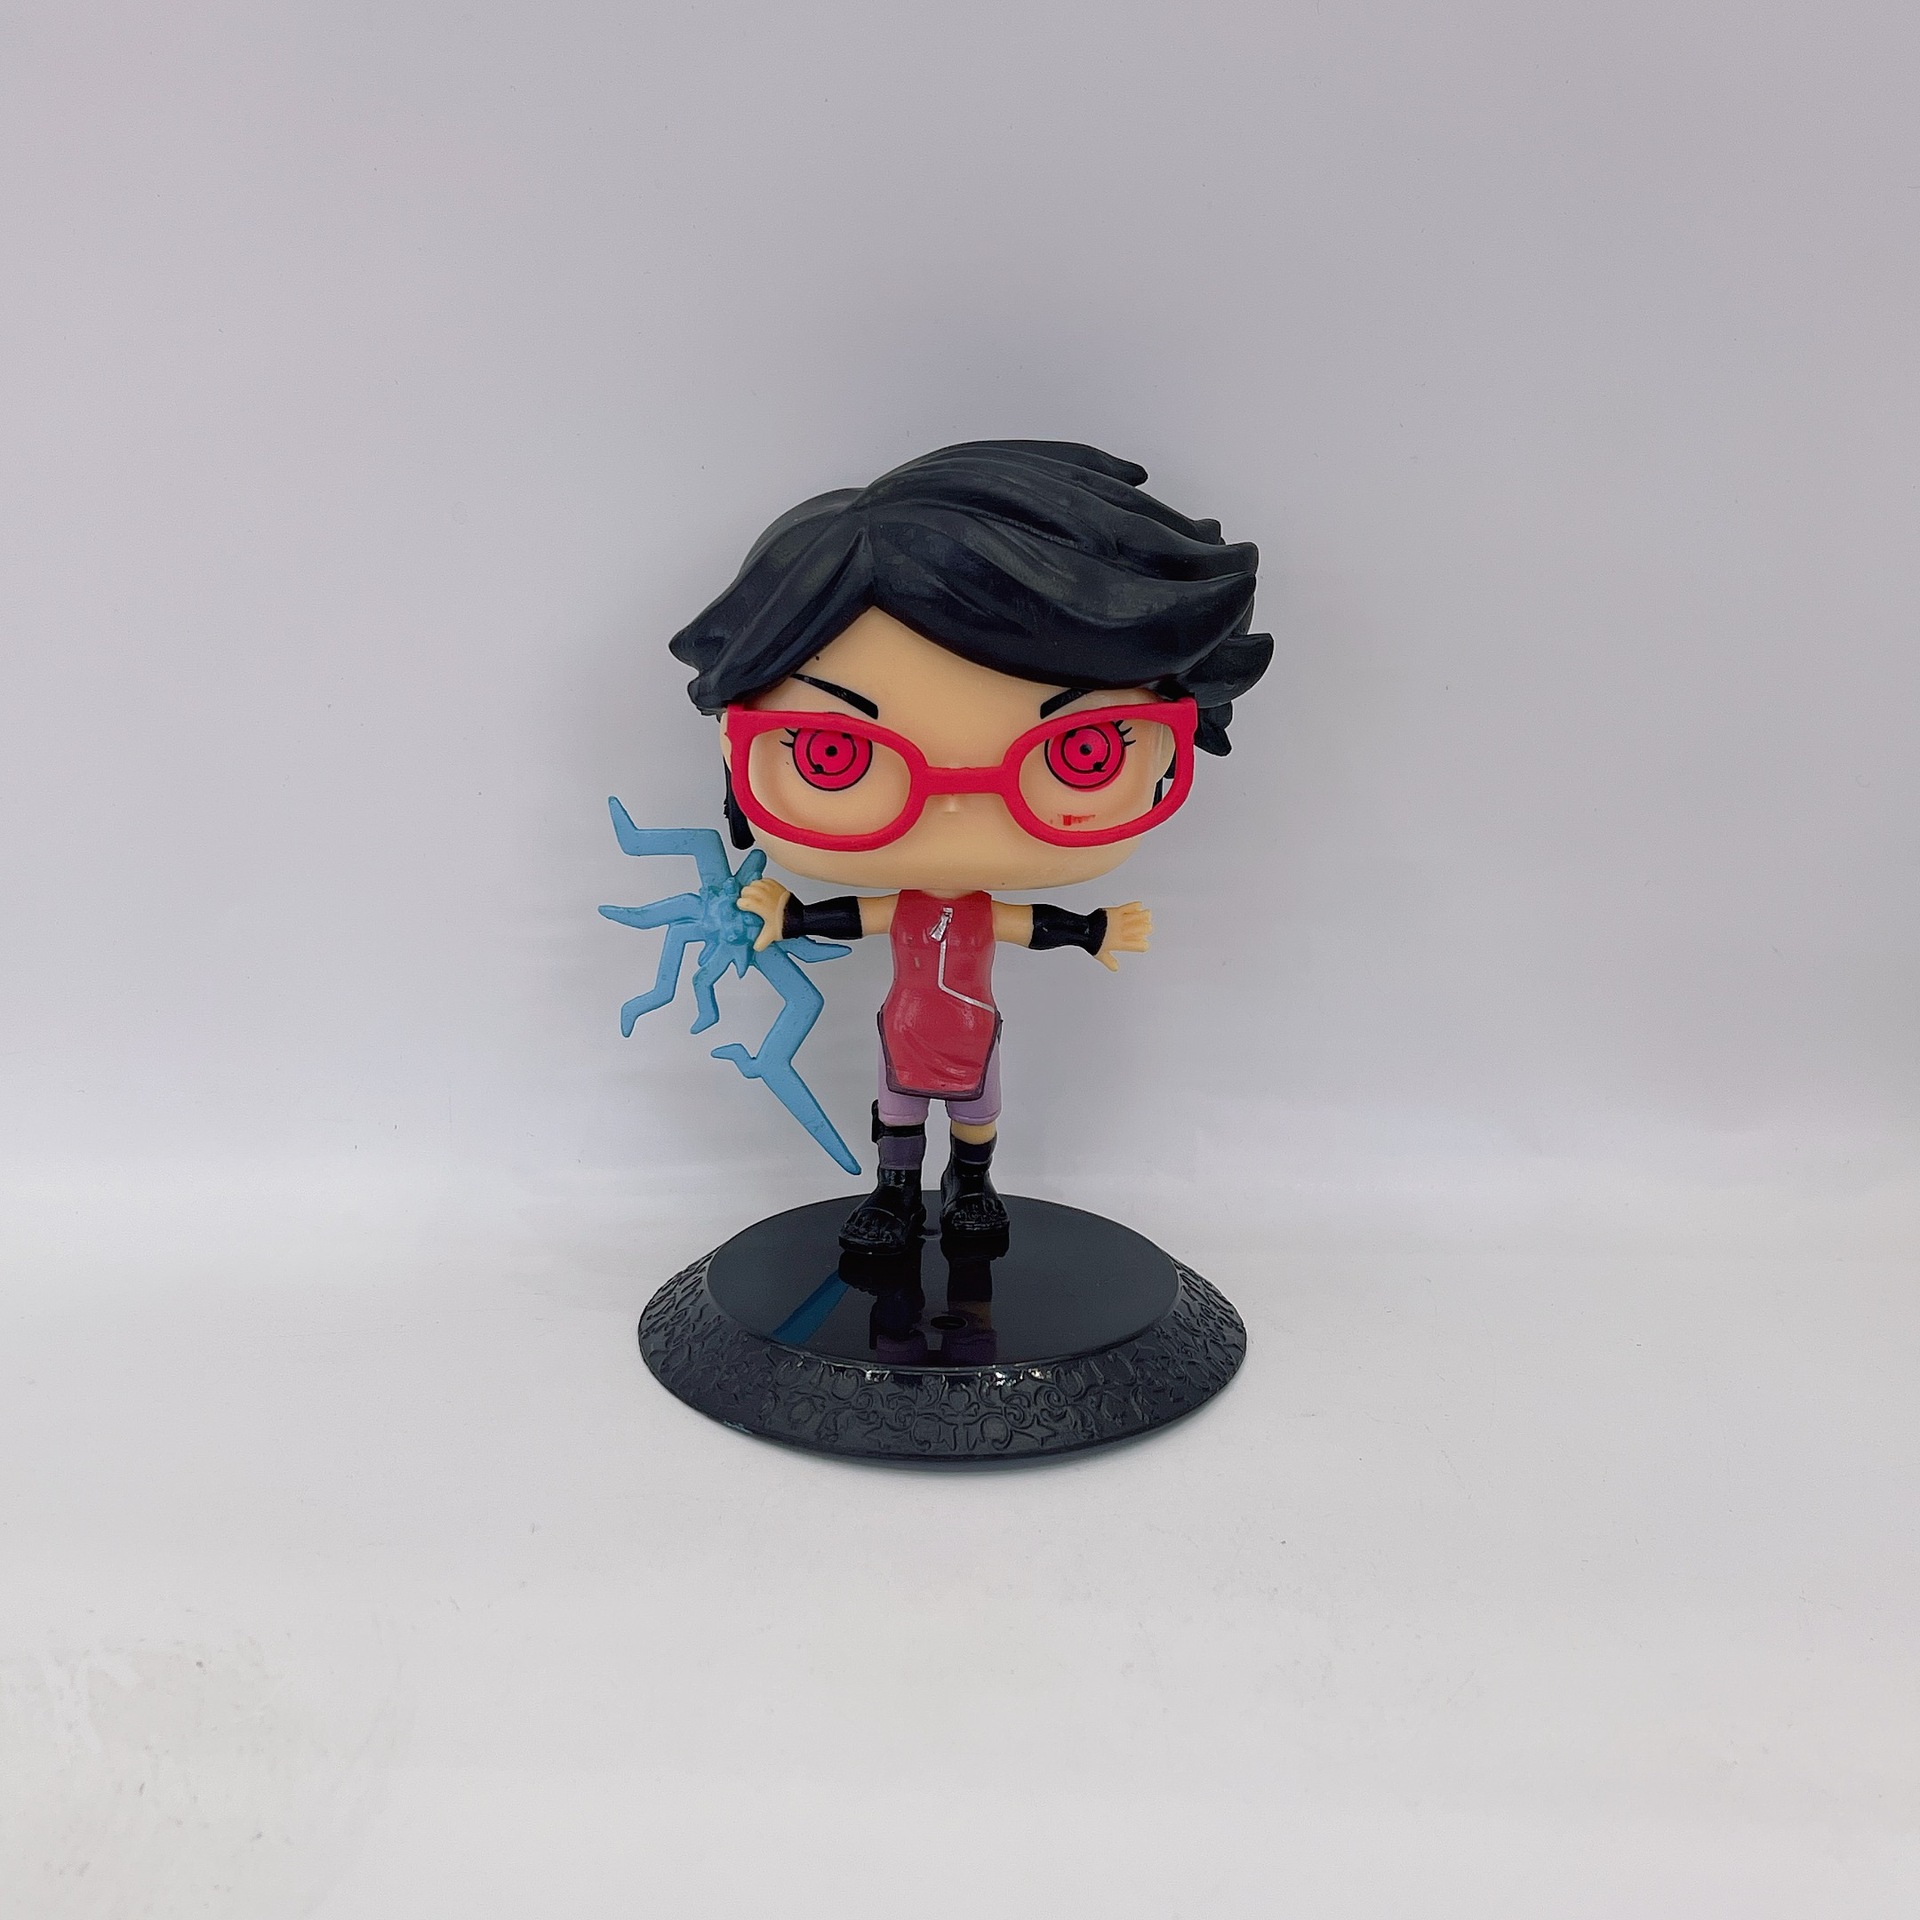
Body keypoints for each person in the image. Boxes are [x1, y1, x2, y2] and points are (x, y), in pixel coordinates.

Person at [668, 440, 1270, 1253]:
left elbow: (1034, 926)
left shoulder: (974, 916)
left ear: (1174, 740)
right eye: (833, 753)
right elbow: (854, 918)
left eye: (1082, 750)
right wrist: (789, 915)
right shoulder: (915, 911)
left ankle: (971, 1183)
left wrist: (1094, 931)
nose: (954, 810)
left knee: (978, 1112)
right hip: (907, 1029)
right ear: (731, 744)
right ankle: (895, 1193)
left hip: (972, 1032)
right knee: (898, 1108)